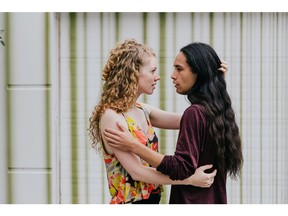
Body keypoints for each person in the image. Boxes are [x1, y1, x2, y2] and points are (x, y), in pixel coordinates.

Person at [88, 39, 227, 204]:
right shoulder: (112, 117)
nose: (158, 77)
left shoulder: (142, 110)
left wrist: (214, 83)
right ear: (133, 73)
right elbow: (137, 172)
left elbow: (196, 120)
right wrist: (188, 179)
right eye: (153, 71)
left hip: (153, 200)